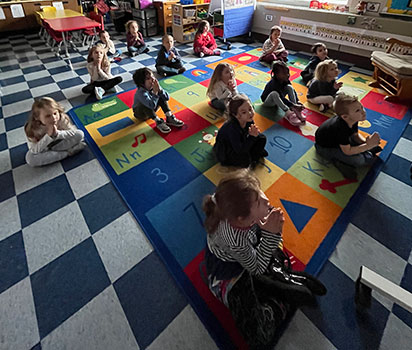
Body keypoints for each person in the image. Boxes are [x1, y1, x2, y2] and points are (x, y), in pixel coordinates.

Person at [203, 169, 327, 348]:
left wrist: (267, 231)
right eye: (259, 202)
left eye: (260, 194)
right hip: (228, 272)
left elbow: (254, 243)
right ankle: (276, 298)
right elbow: (255, 267)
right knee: (258, 337)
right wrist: (271, 234)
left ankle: (276, 277)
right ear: (241, 218)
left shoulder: (230, 201)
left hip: (247, 247)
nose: (267, 200)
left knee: (266, 247)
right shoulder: (234, 237)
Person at [315, 93, 382, 179]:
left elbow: (355, 136)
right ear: (345, 116)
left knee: (361, 147)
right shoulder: (339, 128)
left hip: (341, 142)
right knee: (359, 160)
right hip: (325, 148)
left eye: (362, 107)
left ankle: (361, 154)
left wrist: (365, 142)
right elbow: (348, 151)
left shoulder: (353, 119)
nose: (363, 112)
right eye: (358, 110)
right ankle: (339, 163)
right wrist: (368, 146)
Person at [24, 97, 85, 167]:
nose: (53, 118)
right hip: (45, 149)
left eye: (55, 113)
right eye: (48, 116)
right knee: (30, 158)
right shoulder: (33, 129)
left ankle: (65, 150)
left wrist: (58, 134)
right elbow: (34, 150)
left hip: (61, 143)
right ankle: (68, 153)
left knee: (80, 134)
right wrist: (48, 136)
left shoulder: (62, 119)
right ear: (37, 117)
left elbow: (73, 133)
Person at [213, 94, 268, 168]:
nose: (250, 113)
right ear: (235, 115)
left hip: (240, 142)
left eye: (250, 109)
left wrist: (254, 135)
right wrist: (252, 137)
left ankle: (253, 156)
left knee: (262, 138)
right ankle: (252, 158)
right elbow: (239, 150)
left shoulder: (248, 120)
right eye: (244, 112)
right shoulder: (232, 128)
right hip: (227, 149)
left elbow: (252, 135)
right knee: (244, 160)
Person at [132, 67, 184, 134]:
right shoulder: (140, 93)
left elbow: (167, 98)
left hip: (153, 109)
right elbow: (151, 106)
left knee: (161, 95)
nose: (153, 79)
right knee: (145, 104)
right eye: (148, 79)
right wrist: (155, 93)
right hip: (141, 114)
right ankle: (158, 121)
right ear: (141, 83)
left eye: (152, 76)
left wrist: (160, 90)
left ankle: (169, 117)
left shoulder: (154, 86)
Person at [261, 61, 306, 126]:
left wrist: (297, 101)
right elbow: (282, 97)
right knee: (274, 93)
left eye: (288, 72)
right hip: (268, 102)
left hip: (279, 98)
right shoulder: (274, 83)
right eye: (284, 73)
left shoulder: (285, 80)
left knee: (289, 87)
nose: (287, 75)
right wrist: (291, 105)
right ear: (276, 74)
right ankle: (288, 112)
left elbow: (292, 90)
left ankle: (295, 108)